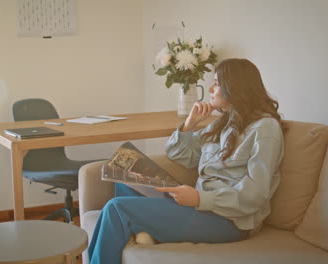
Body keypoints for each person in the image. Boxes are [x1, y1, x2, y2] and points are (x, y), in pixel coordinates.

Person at [88, 58, 285, 264]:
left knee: (116, 208)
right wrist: (190, 124)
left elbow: (255, 194)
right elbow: (181, 155)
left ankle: (146, 231)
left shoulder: (265, 129)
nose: (210, 88)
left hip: (229, 221)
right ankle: (147, 231)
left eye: (216, 83)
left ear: (234, 87)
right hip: (198, 206)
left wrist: (200, 199)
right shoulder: (224, 122)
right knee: (125, 176)